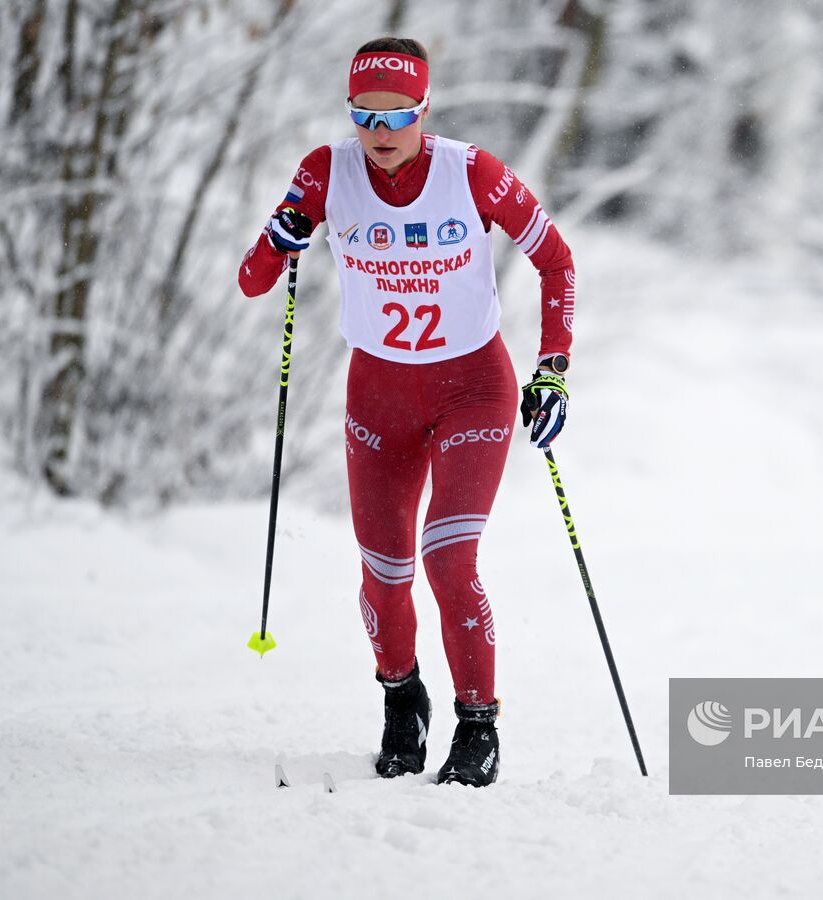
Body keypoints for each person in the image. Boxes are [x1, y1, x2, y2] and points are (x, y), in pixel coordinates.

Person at [238, 37, 577, 785]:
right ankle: (402, 700)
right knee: (384, 572)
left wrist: (552, 370)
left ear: (425, 109)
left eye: (398, 116)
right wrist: (280, 237)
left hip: (473, 390)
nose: (381, 133)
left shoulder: (471, 172)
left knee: (448, 557)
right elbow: (253, 281)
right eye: (365, 115)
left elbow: (556, 259)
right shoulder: (326, 172)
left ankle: (478, 726)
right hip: (379, 395)